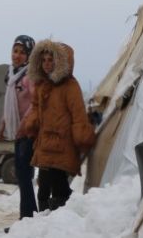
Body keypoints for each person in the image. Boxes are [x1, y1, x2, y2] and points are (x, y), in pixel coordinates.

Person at [18, 39, 93, 213]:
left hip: (62, 146)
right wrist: (31, 123)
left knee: (59, 188)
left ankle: (61, 221)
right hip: (44, 145)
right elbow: (36, 108)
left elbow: (78, 114)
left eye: (51, 60)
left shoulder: (70, 86)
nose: (46, 64)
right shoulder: (42, 86)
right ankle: (45, 223)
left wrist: (82, 137)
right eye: (43, 60)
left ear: (61, 61)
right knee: (43, 191)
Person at [0, 34, 37, 218]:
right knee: (22, 176)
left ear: (29, 55)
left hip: (28, 133)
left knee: (24, 176)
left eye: (22, 52)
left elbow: (36, 104)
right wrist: (3, 125)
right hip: (18, 133)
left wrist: (25, 124)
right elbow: (9, 104)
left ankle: (27, 216)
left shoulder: (30, 76)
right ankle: (27, 215)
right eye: (15, 51)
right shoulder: (12, 75)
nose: (17, 55)